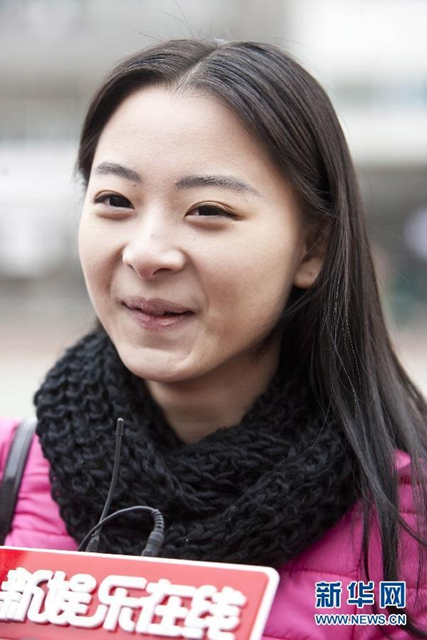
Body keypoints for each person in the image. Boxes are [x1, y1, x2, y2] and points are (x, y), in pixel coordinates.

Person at [1, 39, 426, 638]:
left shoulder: (405, 532)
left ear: (313, 247)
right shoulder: (11, 472)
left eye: (207, 210)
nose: (147, 252)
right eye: (115, 200)